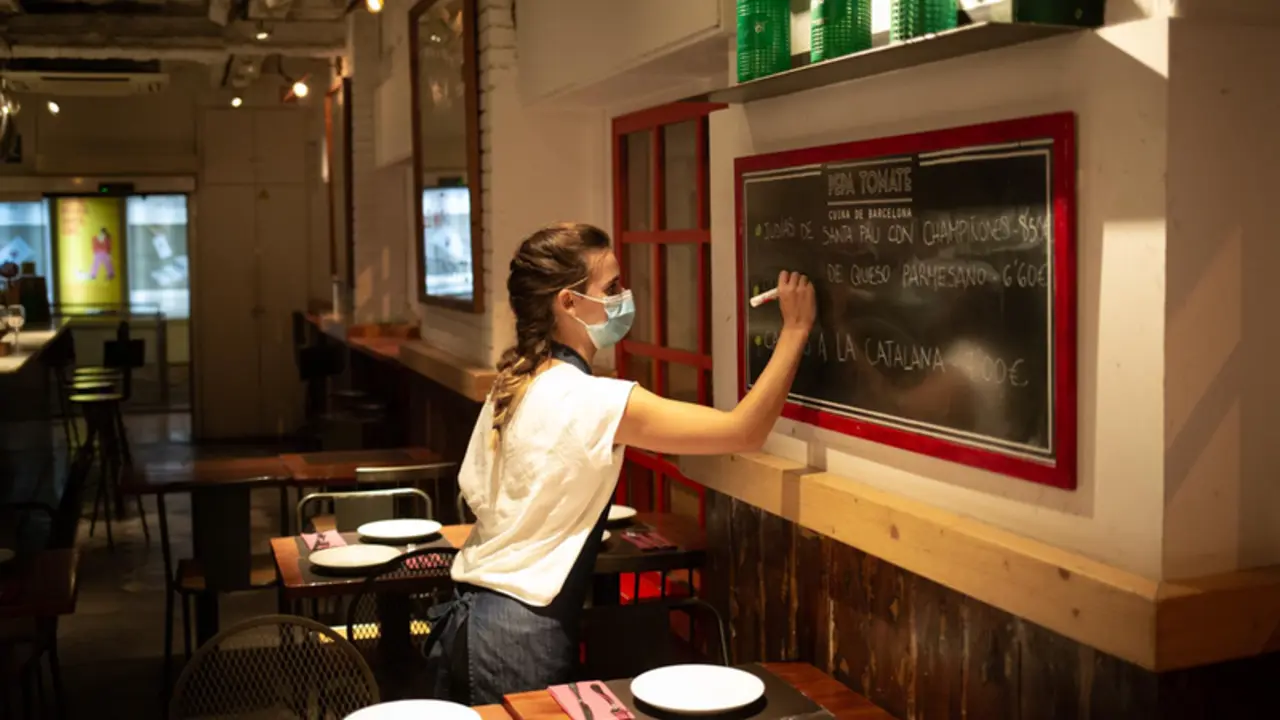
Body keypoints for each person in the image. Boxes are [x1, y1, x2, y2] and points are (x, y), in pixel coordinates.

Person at [425, 222, 815, 704]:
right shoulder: (591, 399)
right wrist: (796, 329)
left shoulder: (516, 379)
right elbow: (744, 431)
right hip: (520, 632)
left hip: (473, 618)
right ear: (567, 303)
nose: (625, 297)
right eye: (611, 288)